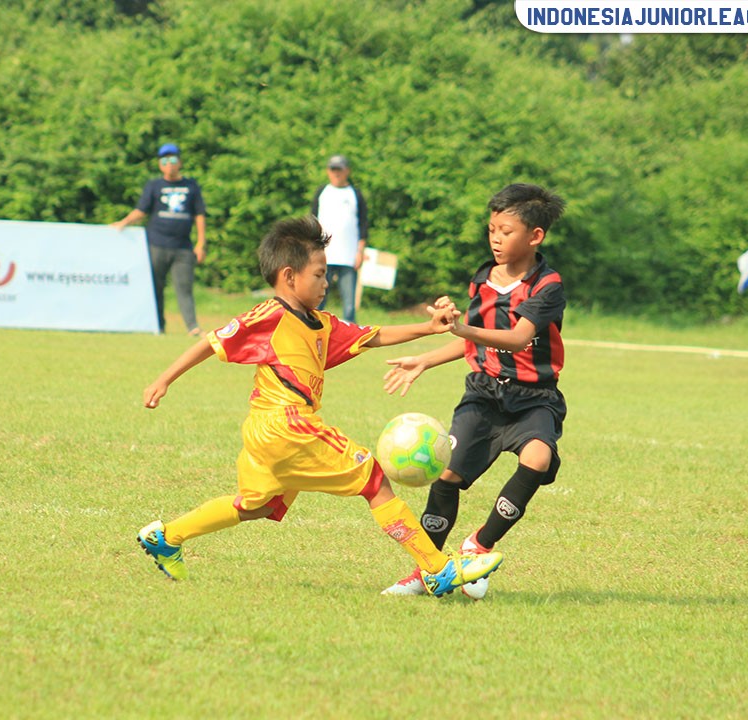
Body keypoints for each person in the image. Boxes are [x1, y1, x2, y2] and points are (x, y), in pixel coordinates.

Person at [136, 214, 503, 597]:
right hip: (286, 423)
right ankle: (436, 568)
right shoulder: (271, 315)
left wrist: (430, 328)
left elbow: (373, 335)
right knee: (374, 479)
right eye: (320, 274)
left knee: (256, 506)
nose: (327, 283)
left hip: (269, 431)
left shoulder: (320, 324)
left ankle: (168, 537)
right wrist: (163, 379)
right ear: (290, 276)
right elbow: (212, 341)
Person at [379, 183, 567, 598]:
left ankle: (478, 546)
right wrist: (425, 359)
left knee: (538, 457)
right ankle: (427, 569)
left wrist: (459, 326)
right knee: (446, 474)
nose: (496, 239)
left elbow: (517, 339)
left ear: (535, 236)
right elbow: (476, 340)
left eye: (506, 231)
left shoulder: (547, 285)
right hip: (483, 395)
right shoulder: (482, 278)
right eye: (491, 230)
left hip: (534, 398)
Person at [112, 143, 206, 335]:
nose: (169, 164)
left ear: (179, 162)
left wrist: (201, 243)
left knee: (184, 288)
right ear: (159, 165)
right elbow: (141, 211)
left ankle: (192, 327)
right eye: (165, 161)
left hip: (183, 248)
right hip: (157, 245)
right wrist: (123, 223)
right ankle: (158, 326)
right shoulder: (154, 186)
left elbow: (200, 215)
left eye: (173, 160)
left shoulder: (191, 186)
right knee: (156, 287)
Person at [310, 154, 367, 323]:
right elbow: (312, 221)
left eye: (339, 170)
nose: (336, 173)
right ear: (328, 171)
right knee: (318, 300)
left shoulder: (355, 194)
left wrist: (360, 251)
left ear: (347, 171)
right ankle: (314, 332)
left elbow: (363, 224)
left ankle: (351, 340)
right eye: (332, 170)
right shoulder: (322, 192)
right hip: (324, 255)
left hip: (348, 256)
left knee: (349, 305)